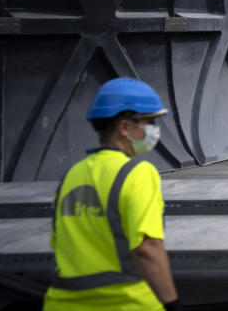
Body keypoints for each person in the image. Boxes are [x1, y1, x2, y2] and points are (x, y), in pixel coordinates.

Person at [43, 78, 182, 311]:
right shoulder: (137, 174)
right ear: (125, 127)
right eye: (149, 122)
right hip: (126, 303)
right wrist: (172, 303)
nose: (154, 130)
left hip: (62, 303)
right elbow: (147, 248)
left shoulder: (72, 175)